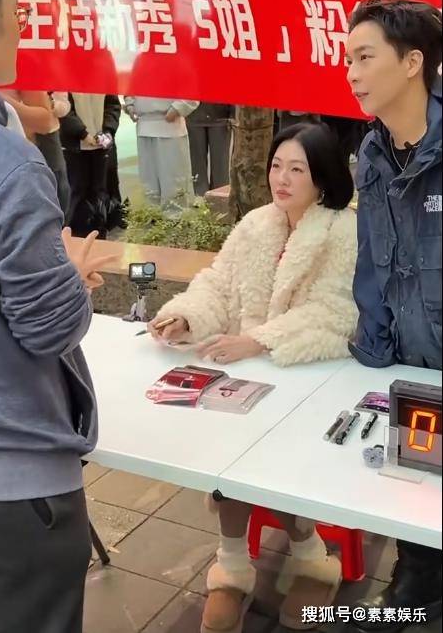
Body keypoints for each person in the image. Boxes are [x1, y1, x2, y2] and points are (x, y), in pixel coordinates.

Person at [0, 0, 116, 632]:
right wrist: (72, 279)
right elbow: (47, 327)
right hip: (11, 488)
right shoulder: (2, 158)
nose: (23, 26)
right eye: (16, 11)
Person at [148, 123, 358, 632]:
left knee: (272, 457)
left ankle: (312, 557)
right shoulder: (256, 224)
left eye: (297, 169)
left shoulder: (344, 231)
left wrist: (260, 340)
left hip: (311, 377)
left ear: (322, 178)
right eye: (276, 166)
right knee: (226, 452)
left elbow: (336, 313)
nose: (281, 179)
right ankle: (232, 566)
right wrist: (185, 317)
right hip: (249, 376)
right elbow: (218, 284)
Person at [346, 0, 442, 632]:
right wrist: (372, 354)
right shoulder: (373, 156)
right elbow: (372, 265)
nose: (351, 73)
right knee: (415, 498)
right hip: (410, 369)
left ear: (412, 62)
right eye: (347, 59)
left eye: (364, 57)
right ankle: (416, 581)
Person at [59, 92, 121, 238]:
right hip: (75, 147)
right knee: (77, 191)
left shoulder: (103, 81)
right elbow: (63, 111)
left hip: (101, 146)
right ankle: (76, 234)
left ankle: (99, 231)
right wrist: (83, 134)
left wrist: (108, 130)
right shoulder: (64, 82)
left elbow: (113, 105)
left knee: (100, 191)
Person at [125, 95, 199, 208]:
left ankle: (176, 215)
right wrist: (129, 103)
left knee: (173, 180)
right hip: (144, 124)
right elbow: (129, 88)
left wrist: (178, 107)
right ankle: (151, 213)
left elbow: (192, 91)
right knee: (149, 183)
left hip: (170, 125)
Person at [186, 101, 234, 196]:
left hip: (221, 116)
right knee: (196, 164)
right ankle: (199, 197)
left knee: (220, 165)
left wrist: (233, 114)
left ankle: (219, 196)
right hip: (194, 115)